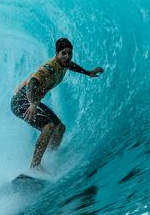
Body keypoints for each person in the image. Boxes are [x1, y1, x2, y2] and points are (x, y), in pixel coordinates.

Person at [11, 38, 104, 170]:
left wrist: (88, 72)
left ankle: (50, 158)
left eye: (69, 53)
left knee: (60, 127)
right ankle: (35, 166)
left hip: (32, 101)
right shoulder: (49, 67)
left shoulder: (64, 63)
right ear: (57, 53)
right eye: (63, 53)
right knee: (48, 127)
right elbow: (31, 83)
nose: (67, 56)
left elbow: (71, 65)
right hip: (21, 101)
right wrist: (32, 103)